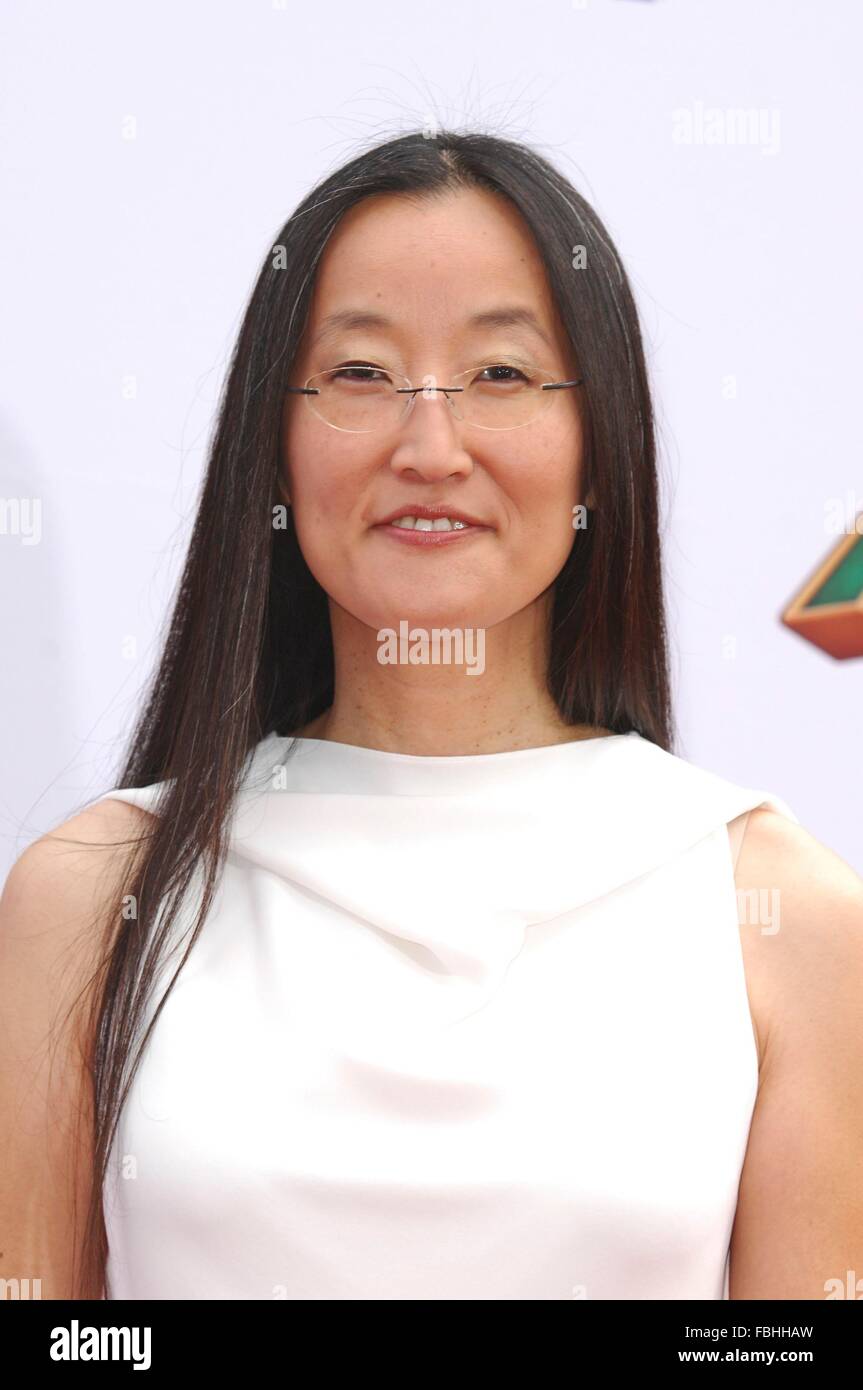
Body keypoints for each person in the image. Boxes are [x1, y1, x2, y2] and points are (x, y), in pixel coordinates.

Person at [2, 130, 861, 1302]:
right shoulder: (94, 895)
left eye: (500, 375)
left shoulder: (778, 913)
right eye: (359, 375)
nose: (429, 444)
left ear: (597, 449)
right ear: (275, 443)